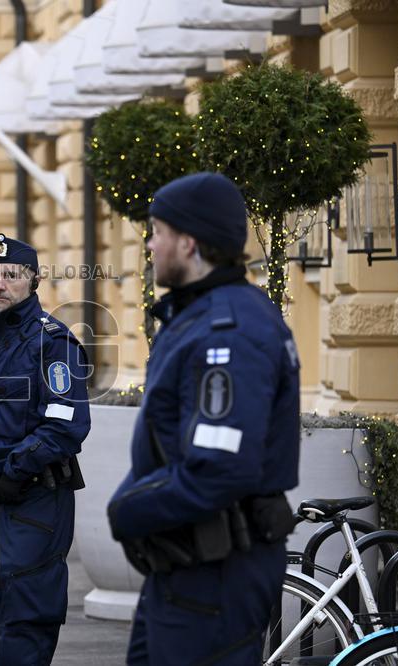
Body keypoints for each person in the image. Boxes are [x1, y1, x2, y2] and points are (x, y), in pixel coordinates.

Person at [107, 172, 301, 665]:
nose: (150, 245)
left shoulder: (229, 331)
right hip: (184, 567)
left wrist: (128, 510)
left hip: (216, 573)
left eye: (157, 232)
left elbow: (219, 468)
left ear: (189, 242)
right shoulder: (200, 315)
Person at [0, 234, 91, 665]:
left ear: (33, 280)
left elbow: (65, 426)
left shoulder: (52, 342)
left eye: (10, 275)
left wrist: (12, 471)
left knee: (26, 621)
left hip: (34, 504)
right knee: (1, 615)